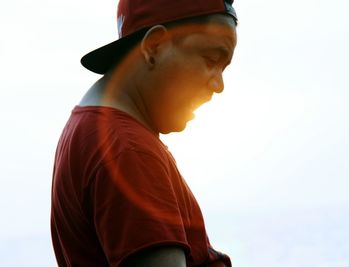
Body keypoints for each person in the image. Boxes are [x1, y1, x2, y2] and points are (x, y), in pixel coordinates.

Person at [50, 0, 238, 266]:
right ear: (154, 46)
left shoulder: (91, 130)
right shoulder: (128, 151)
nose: (219, 85)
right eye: (211, 59)